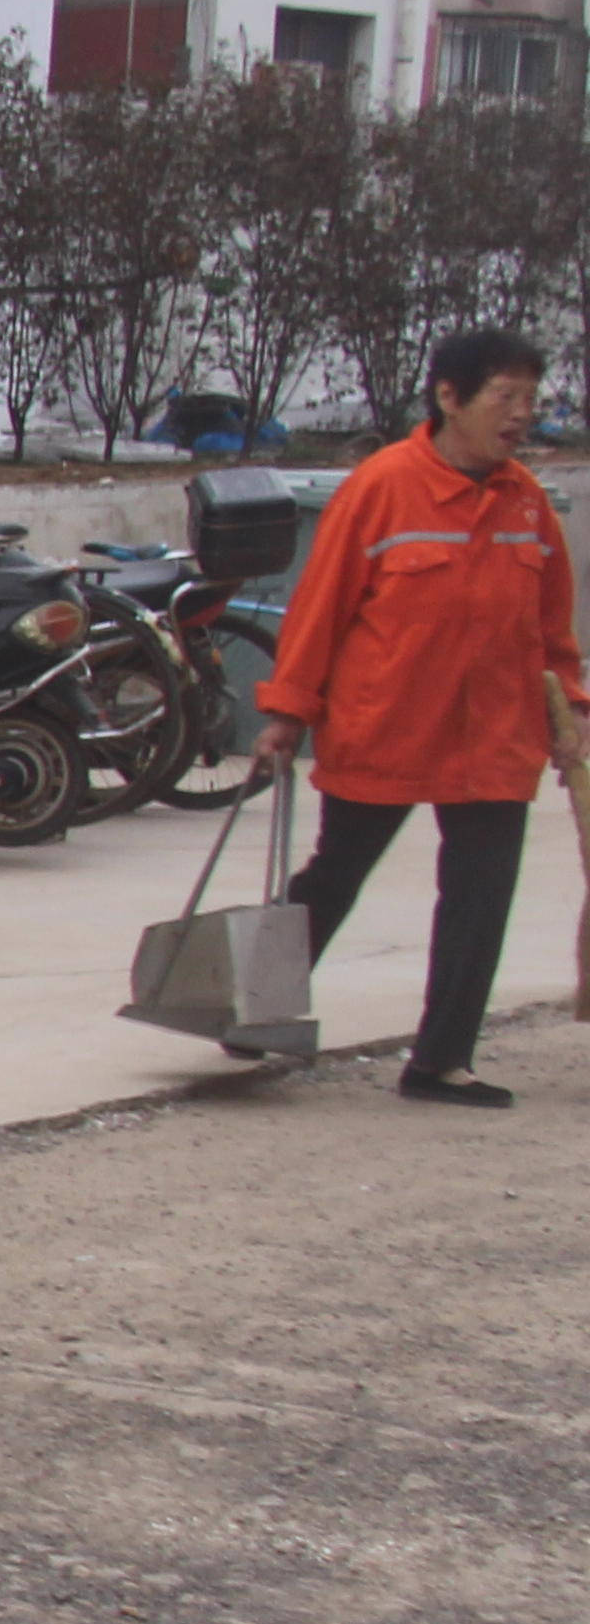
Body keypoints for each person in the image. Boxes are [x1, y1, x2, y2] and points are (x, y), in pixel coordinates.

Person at [250, 325, 587, 1107]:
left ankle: (441, 1061)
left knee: (480, 895)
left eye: (529, 400)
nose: (520, 415)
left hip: (496, 734)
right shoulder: (381, 486)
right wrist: (288, 712)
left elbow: (553, 626)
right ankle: (252, 1006)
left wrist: (570, 707)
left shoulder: (526, 501)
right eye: (505, 397)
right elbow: (319, 607)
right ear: (448, 396)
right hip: (388, 724)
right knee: (335, 874)